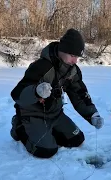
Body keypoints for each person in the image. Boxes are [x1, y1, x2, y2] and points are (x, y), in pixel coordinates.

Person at [10, 28, 104, 158]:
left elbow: (79, 94)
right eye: (73, 56)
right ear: (63, 50)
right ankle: (19, 127)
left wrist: (93, 114)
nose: (75, 61)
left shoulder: (73, 71)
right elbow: (17, 94)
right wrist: (36, 92)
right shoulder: (41, 66)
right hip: (33, 114)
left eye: (77, 57)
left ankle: (48, 131)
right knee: (46, 150)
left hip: (55, 114)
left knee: (76, 139)